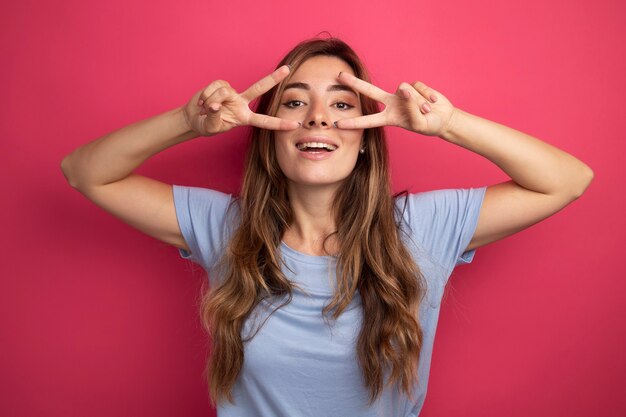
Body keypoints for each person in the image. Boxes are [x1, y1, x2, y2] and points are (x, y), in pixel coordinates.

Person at [60, 37, 593, 416]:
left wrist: (448, 124)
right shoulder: (227, 226)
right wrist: (186, 121)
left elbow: (567, 180)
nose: (318, 118)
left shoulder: (420, 228)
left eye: (341, 106)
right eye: (296, 103)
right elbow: (85, 173)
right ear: (269, 133)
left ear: (366, 138)